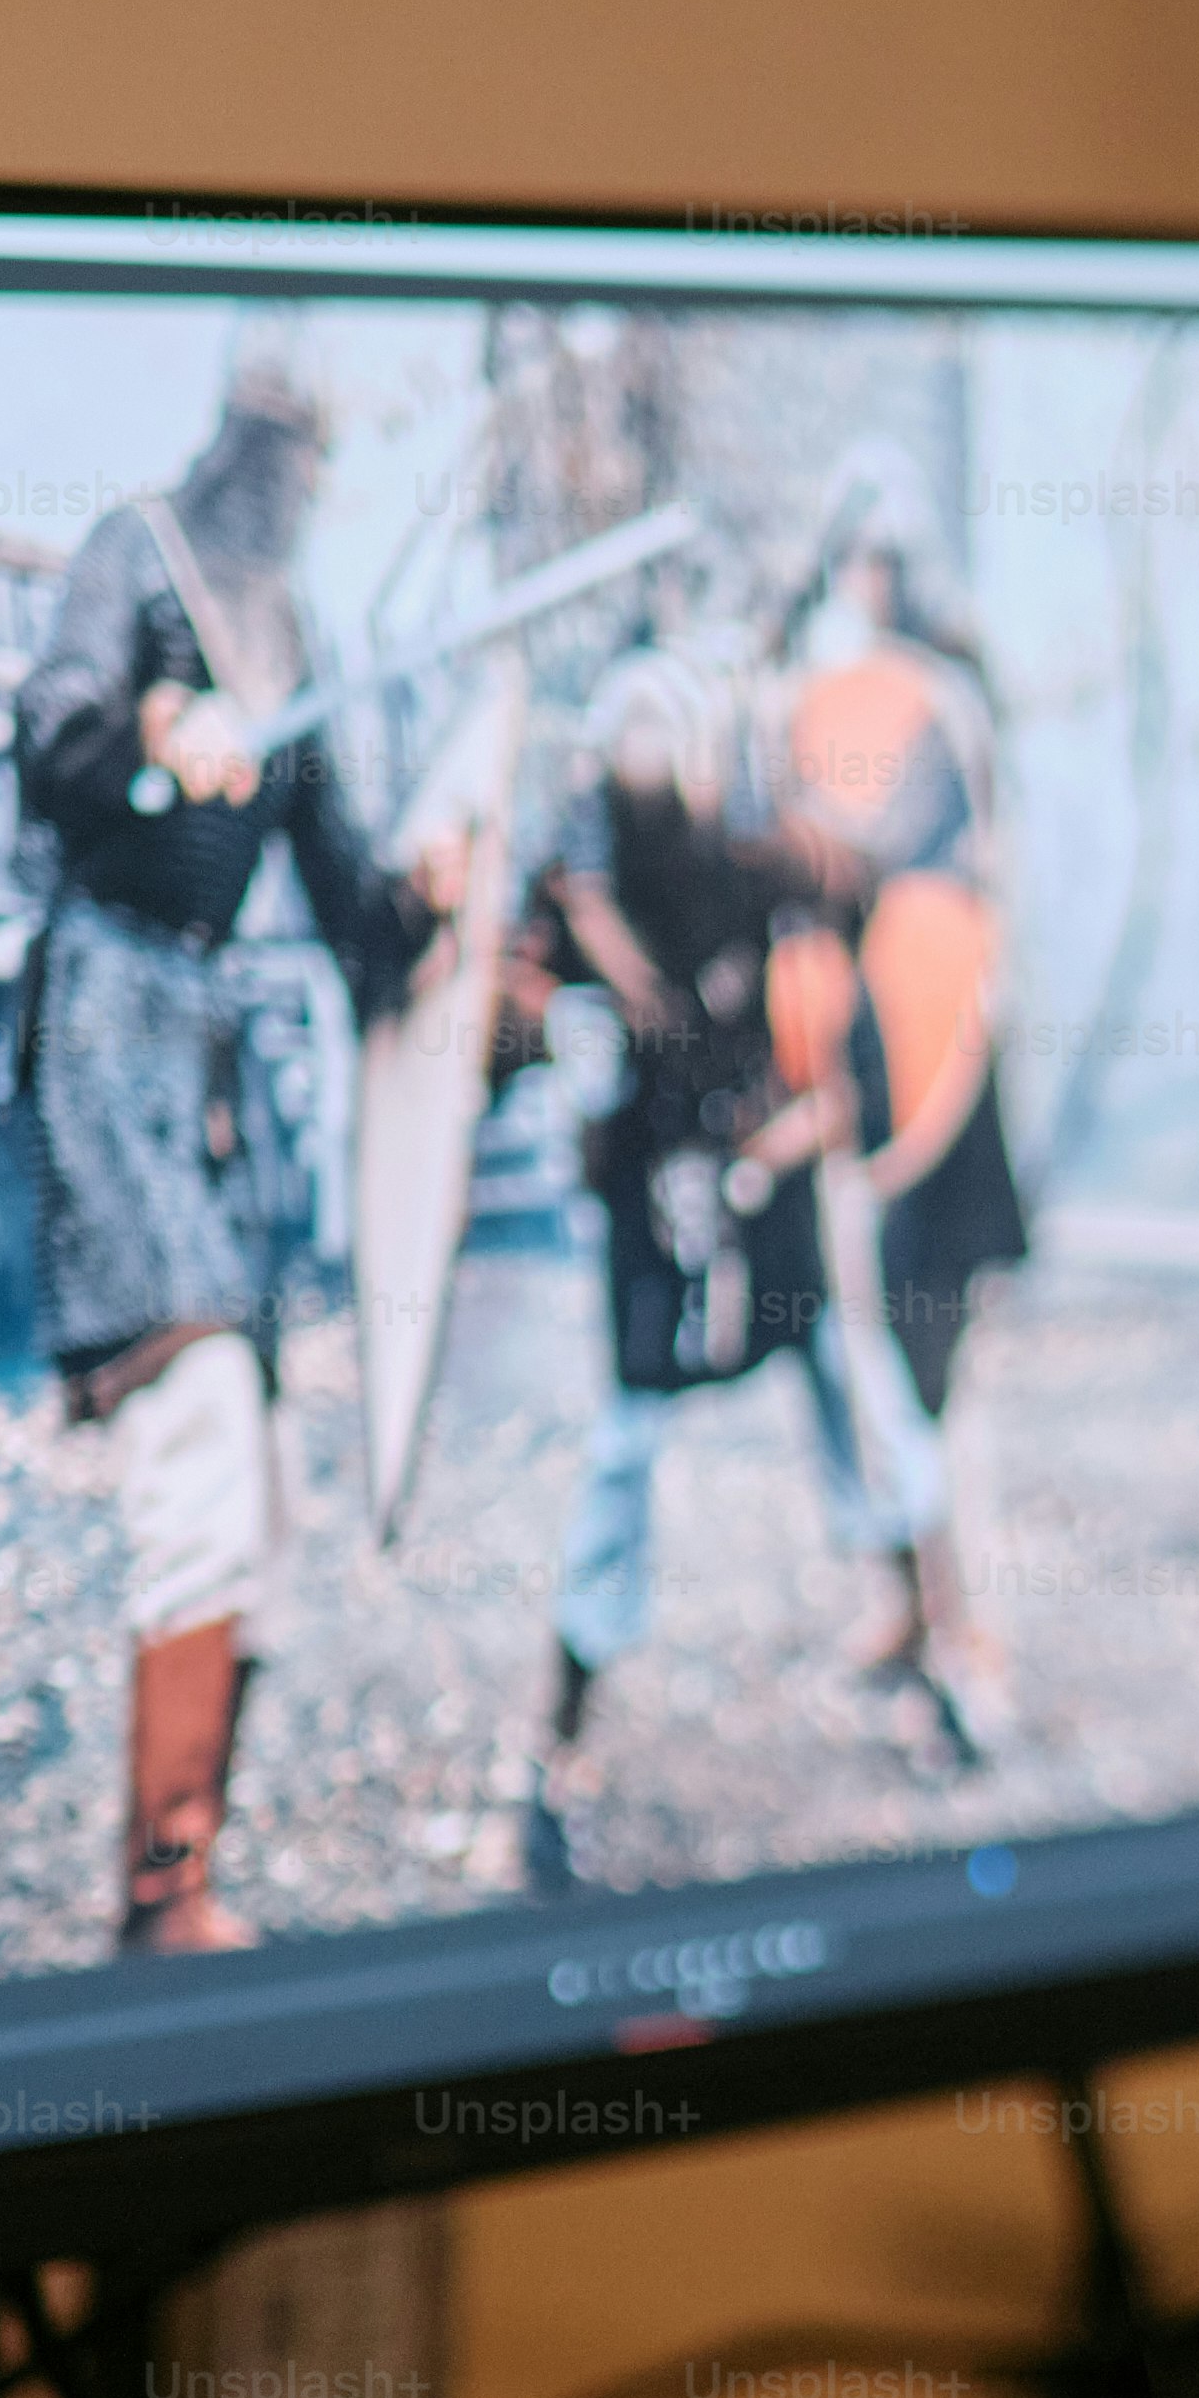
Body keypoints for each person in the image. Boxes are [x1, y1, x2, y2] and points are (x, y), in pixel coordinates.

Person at [2, 322, 461, 1953]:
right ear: (236, 448)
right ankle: (162, 1893)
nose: (300, 486)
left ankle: (187, 1882)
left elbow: (350, 910)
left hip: (208, 1065)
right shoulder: (136, 560)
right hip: (104, 1026)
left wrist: (436, 902)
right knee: (194, 1423)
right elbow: (47, 735)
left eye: (317, 462)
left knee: (256, 1485)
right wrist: (144, 739)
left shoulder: (297, 631)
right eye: (282, 455)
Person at [473, 606, 939, 1895]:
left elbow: (863, 886)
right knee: (622, 1456)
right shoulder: (579, 895)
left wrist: (822, 869)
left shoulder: (750, 859)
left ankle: (924, 1655)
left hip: (758, 1169)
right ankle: (556, 1747)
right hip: (652, 1199)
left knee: (853, 1390)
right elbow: (497, 1039)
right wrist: (509, 995)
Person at [762, 460, 1029, 1712]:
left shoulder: (943, 711)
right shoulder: (825, 703)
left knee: (931, 1368)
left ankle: (962, 1630)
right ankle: (906, 1607)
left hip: (936, 1068)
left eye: (872, 564)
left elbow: (873, 855)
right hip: (850, 1066)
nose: (858, 585)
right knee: (857, 1361)